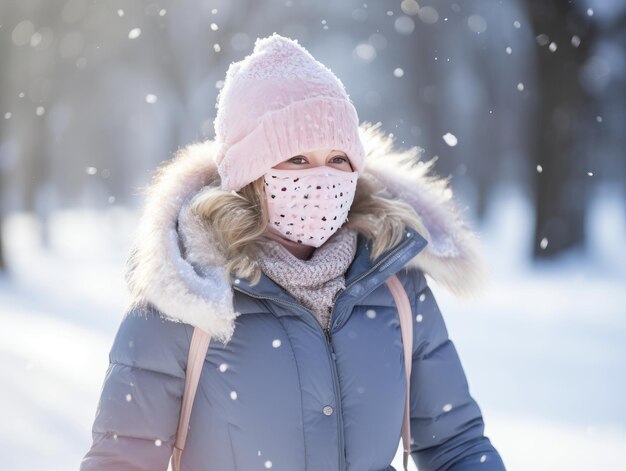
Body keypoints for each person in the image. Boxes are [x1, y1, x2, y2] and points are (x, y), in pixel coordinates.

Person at [79, 33, 506, 471]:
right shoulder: (188, 293)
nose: (321, 178)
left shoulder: (395, 280)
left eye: (338, 159)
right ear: (250, 175)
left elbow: (456, 445)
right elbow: (121, 460)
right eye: (297, 160)